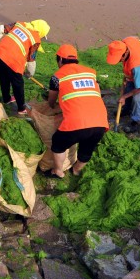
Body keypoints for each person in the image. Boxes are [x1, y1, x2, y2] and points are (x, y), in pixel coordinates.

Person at [44, 44, 108, 178]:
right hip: (100, 123)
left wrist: (51, 104)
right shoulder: (91, 72)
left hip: (76, 123)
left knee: (58, 143)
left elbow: (51, 100)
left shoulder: (57, 77)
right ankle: (76, 170)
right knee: (87, 149)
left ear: (60, 60)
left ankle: (58, 171)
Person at [0, 19, 50, 115]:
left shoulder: (20, 24)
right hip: (14, 62)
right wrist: (29, 74)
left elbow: (0, 28)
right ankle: (21, 109)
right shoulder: (35, 39)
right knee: (18, 85)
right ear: (41, 32)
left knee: (3, 78)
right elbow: (31, 60)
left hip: (0, 54)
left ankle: (7, 99)